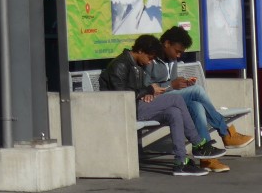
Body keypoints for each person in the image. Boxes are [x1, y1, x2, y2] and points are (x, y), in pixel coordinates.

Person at [99, 34, 225, 176]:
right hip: (125, 109)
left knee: (174, 113)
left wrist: (148, 93)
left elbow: (139, 89)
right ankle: (198, 143)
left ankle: (180, 161)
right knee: (176, 100)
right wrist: (148, 90)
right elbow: (121, 96)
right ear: (140, 51)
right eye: (150, 58)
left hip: (137, 105)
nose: (149, 62)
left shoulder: (137, 64)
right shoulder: (120, 65)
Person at [147, 26, 252, 172]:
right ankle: (226, 133)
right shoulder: (150, 59)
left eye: (181, 53)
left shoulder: (172, 60)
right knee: (197, 91)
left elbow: (173, 82)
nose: (178, 56)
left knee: (197, 106)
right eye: (177, 51)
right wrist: (172, 85)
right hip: (155, 101)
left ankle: (207, 159)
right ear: (166, 43)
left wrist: (183, 84)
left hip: (173, 98)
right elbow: (147, 87)